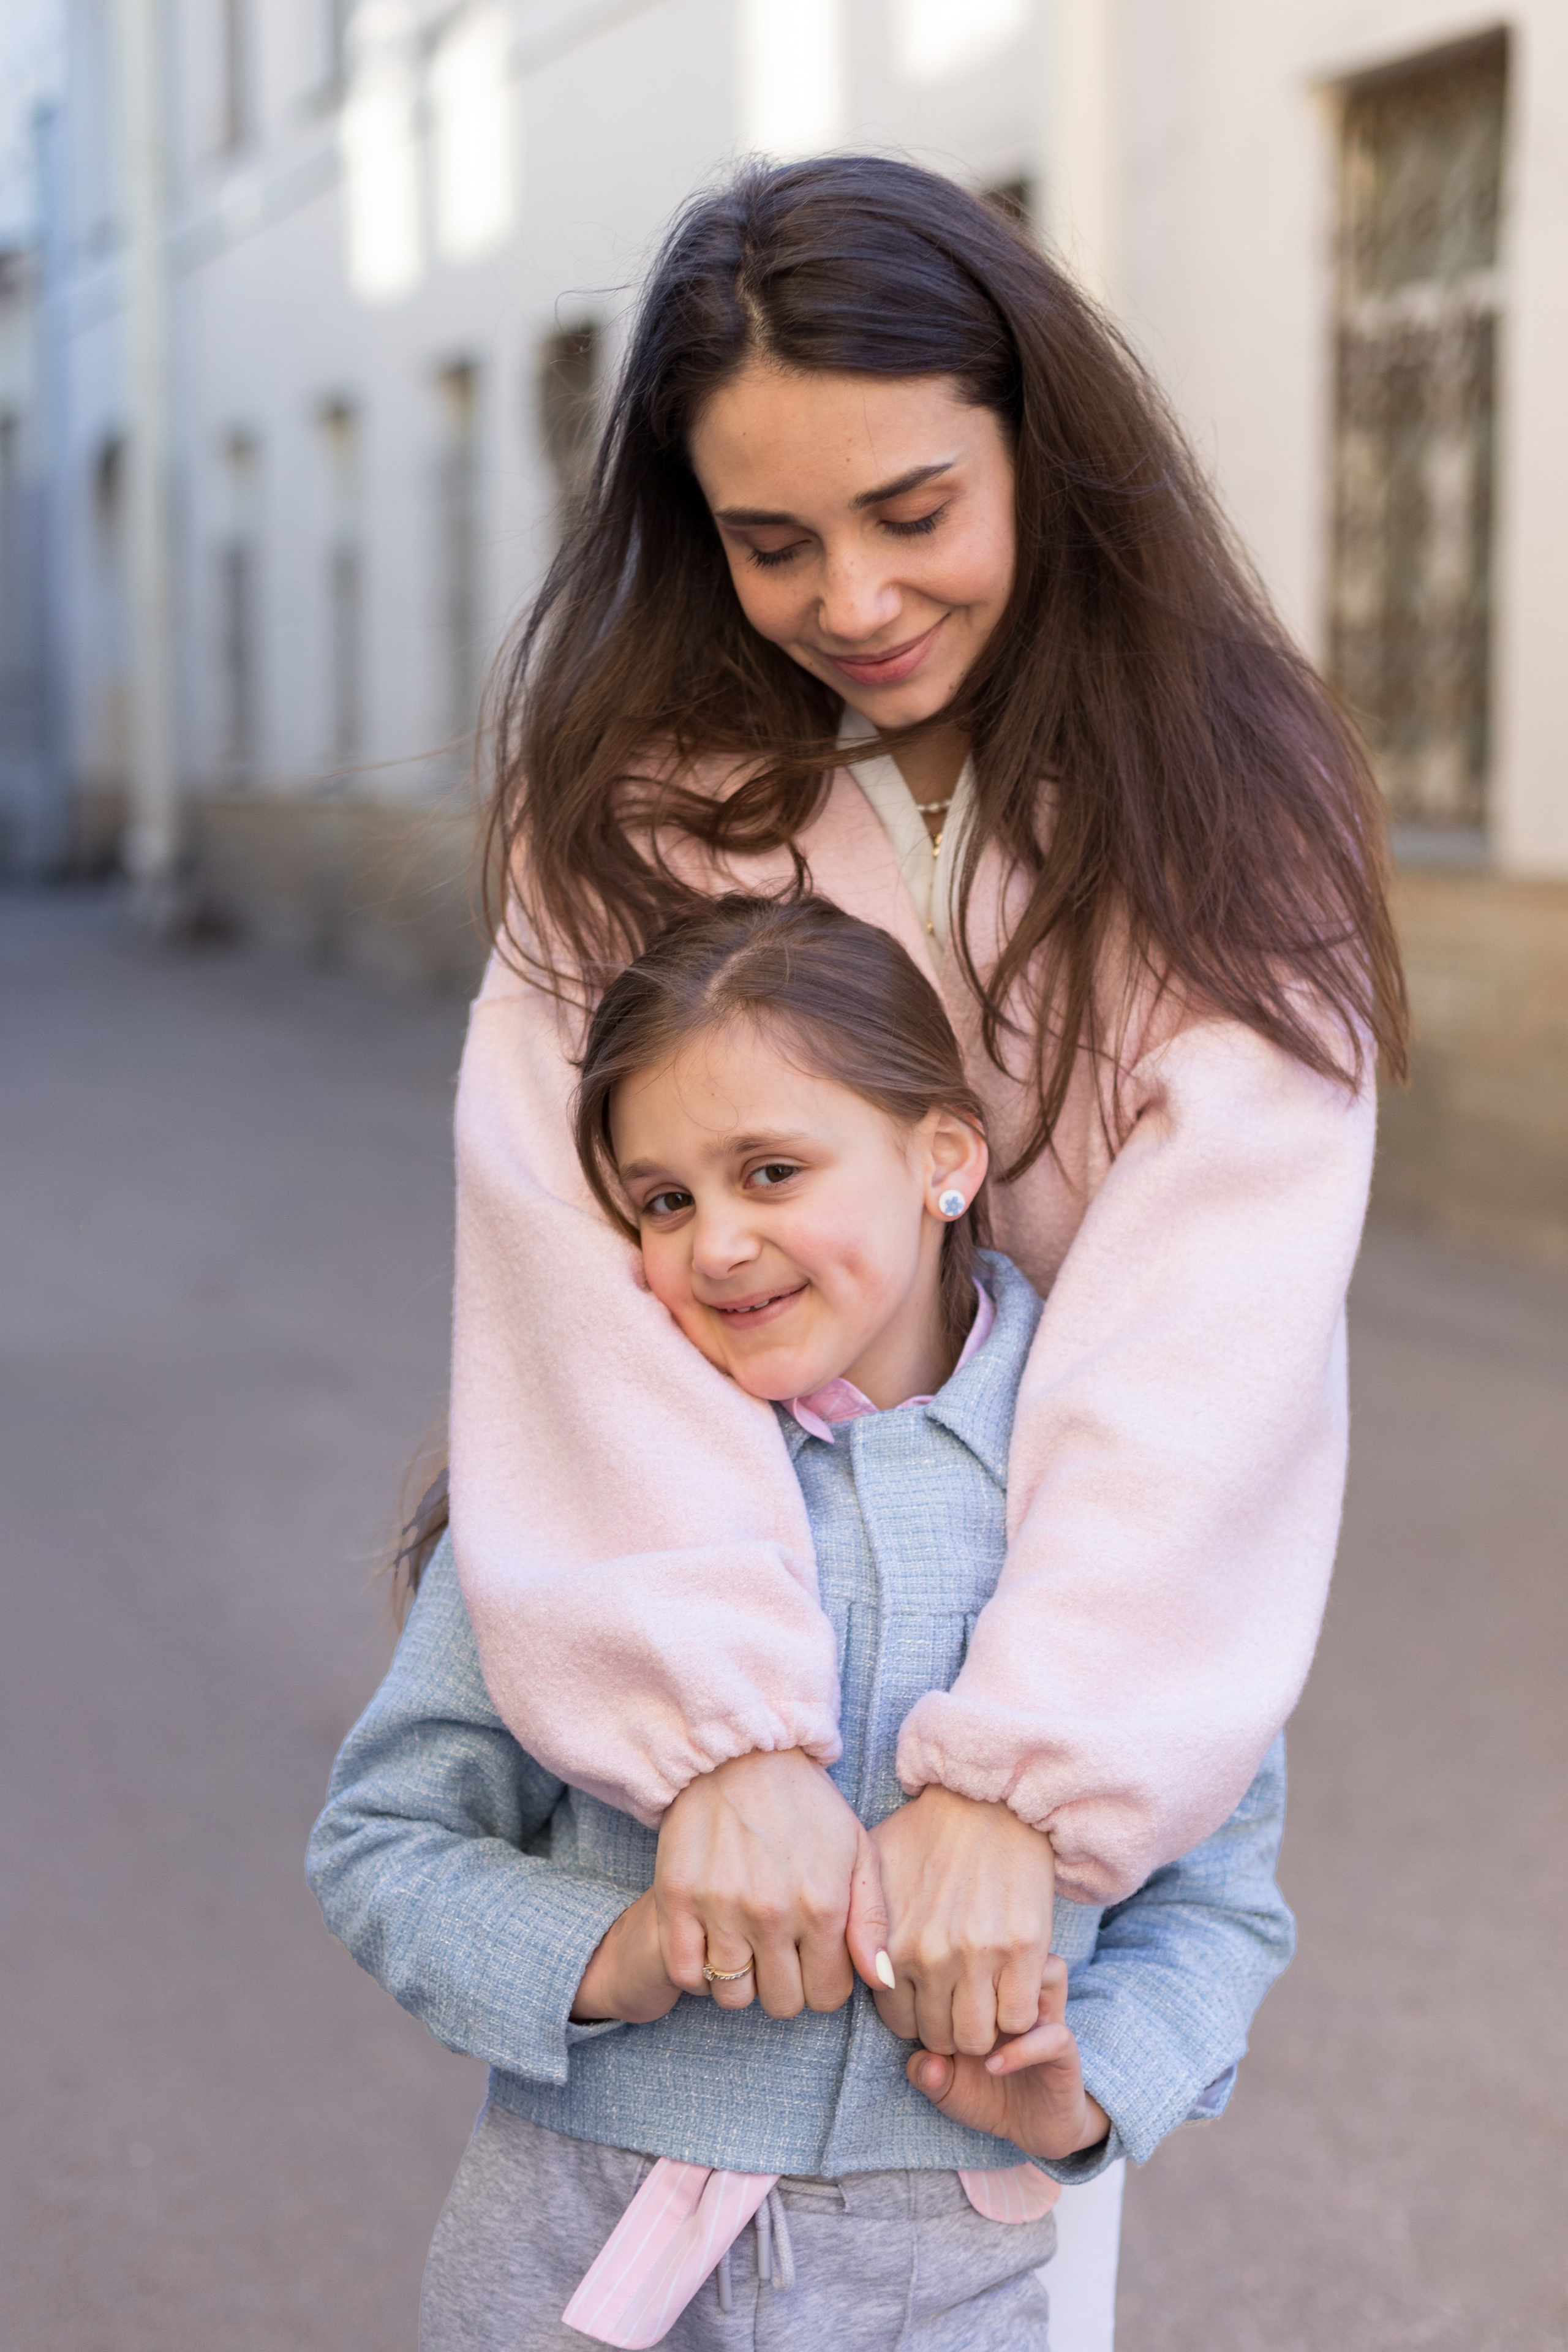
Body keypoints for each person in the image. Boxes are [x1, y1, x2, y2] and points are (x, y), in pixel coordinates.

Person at [445, 153, 1403, 2324]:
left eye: (913, 510)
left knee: (1003, 2259)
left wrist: (1033, 1784)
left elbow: (1224, 1317)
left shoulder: (1224, 799)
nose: (854, 598)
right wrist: (719, 1742)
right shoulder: (625, 814)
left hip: (1077, 1686)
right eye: (771, 540)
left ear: (1038, 448)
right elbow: (565, 1262)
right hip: (704, 1743)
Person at [310, 897, 1296, 2350]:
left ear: (943, 1158)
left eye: (769, 1170)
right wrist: (614, 1952)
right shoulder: (596, 1491)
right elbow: (383, 1842)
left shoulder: (1104, 1507)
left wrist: (1085, 2088)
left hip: (944, 2290)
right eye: (661, 1201)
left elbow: (1217, 1903)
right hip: (569, 2260)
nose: (716, 1243)